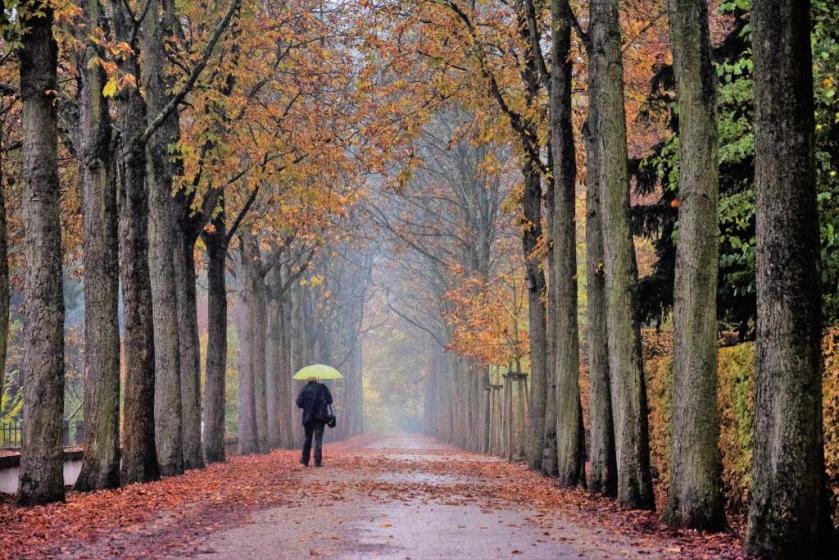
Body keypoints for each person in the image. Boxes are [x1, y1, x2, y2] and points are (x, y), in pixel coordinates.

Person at [295, 377, 333, 467]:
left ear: (307, 379)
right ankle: (317, 461)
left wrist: (307, 404)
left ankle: (305, 461)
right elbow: (330, 400)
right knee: (318, 438)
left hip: (308, 418)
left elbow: (298, 403)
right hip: (320, 417)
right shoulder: (322, 387)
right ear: (316, 379)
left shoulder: (304, 389)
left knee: (308, 438)